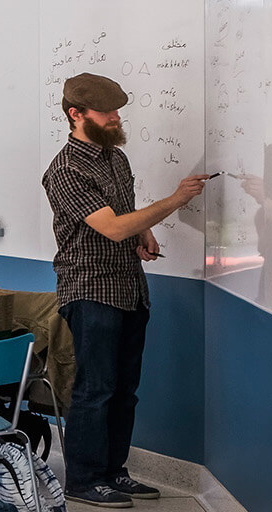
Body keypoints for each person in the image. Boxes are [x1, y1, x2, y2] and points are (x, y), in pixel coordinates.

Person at [42, 72, 208, 508]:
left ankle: (115, 472)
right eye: (107, 111)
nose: (116, 118)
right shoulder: (65, 170)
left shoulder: (115, 158)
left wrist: (145, 232)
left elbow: (124, 216)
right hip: (91, 289)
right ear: (77, 115)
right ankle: (82, 480)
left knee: (124, 390)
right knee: (95, 389)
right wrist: (172, 202)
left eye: (118, 110)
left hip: (130, 287)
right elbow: (112, 227)